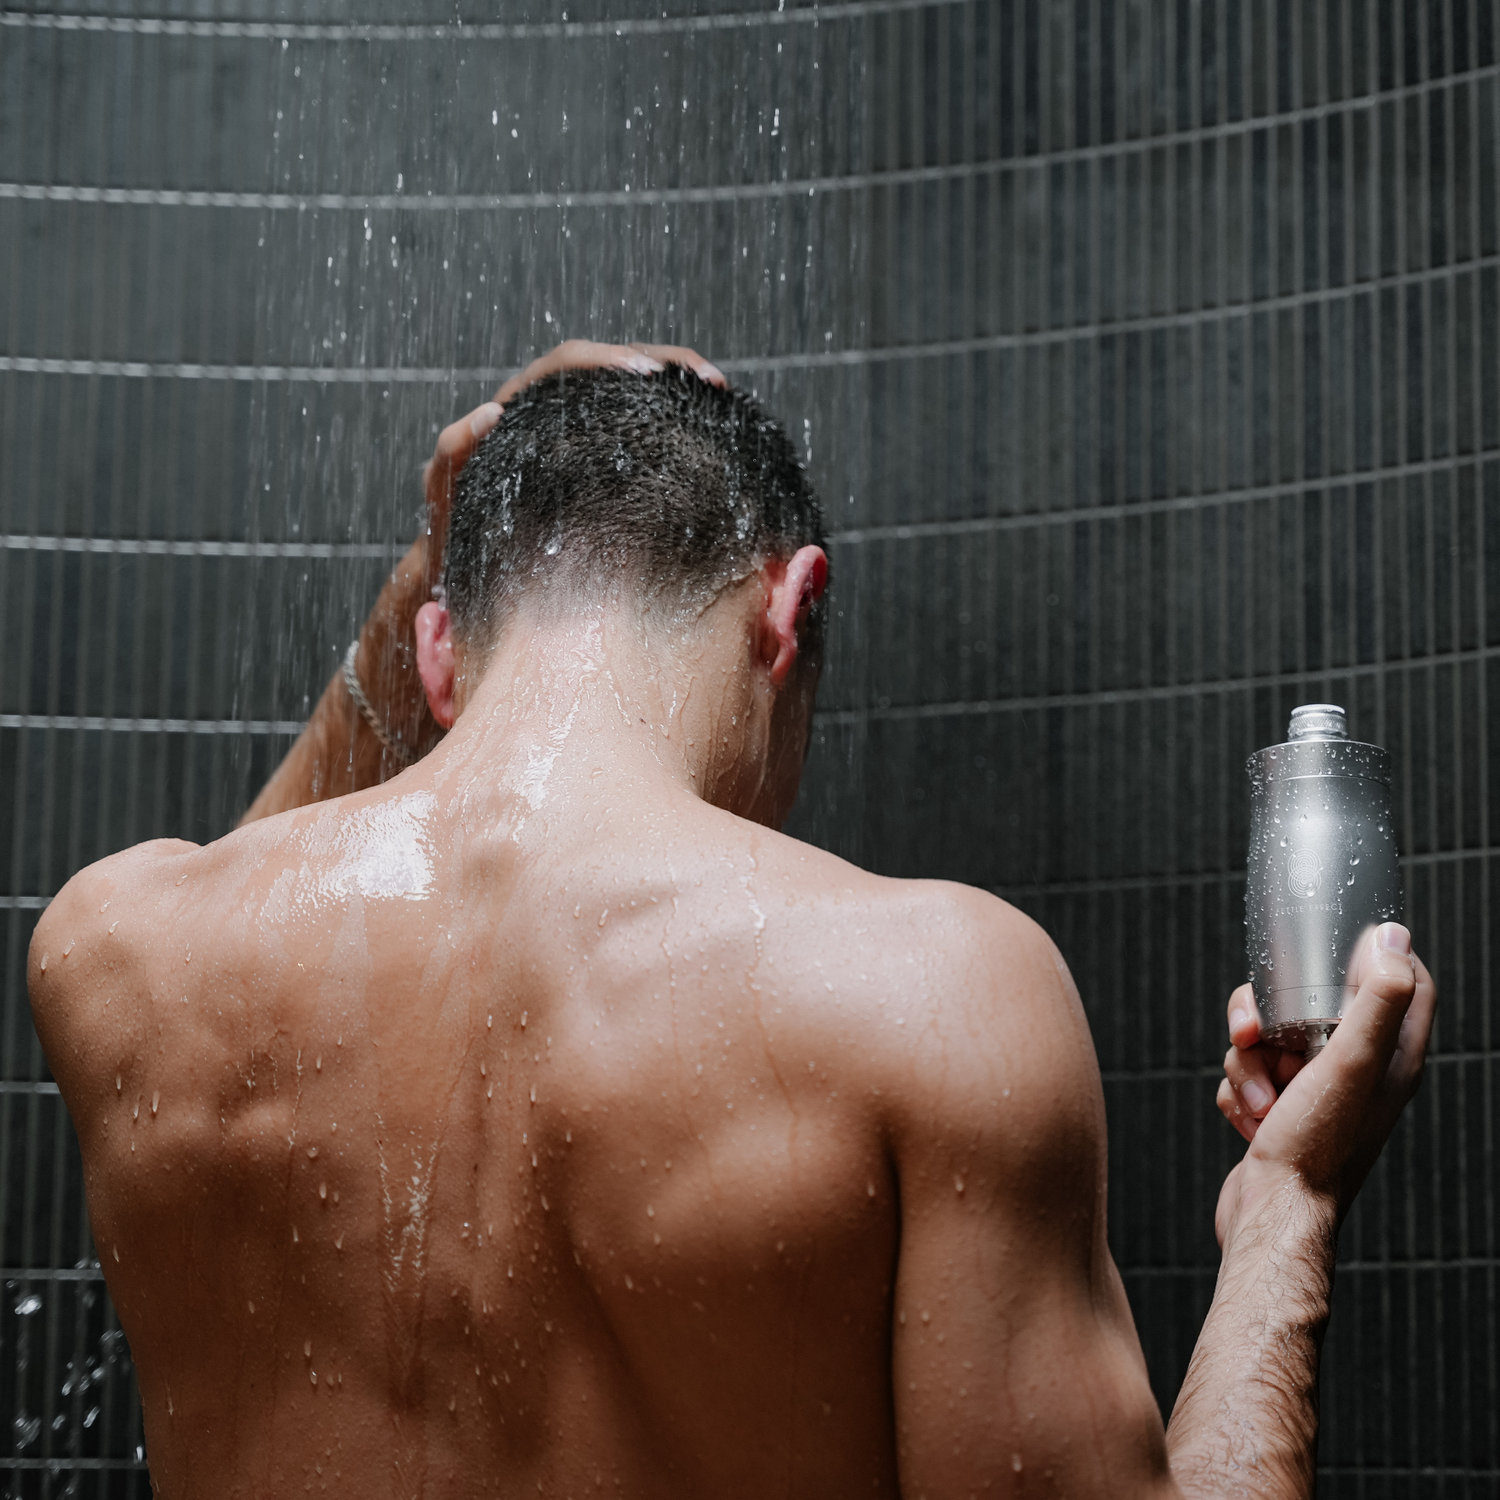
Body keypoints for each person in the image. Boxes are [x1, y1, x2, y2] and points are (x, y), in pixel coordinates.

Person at [29, 340, 1435, 1499]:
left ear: (434, 650)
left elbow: (274, 872)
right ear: (792, 609)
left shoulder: (120, 958)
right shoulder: (935, 991)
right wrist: (1285, 1211)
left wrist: (433, 559)